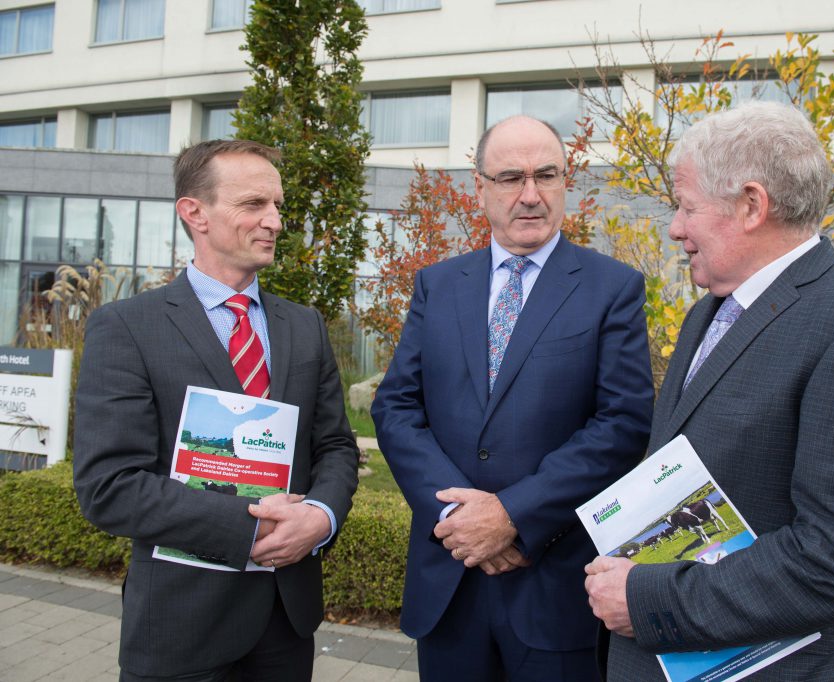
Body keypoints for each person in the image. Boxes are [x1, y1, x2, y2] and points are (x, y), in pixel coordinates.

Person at [585, 102, 834, 680]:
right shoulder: (712, 312)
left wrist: (653, 599)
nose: (675, 227)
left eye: (687, 206)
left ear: (752, 205)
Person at [371, 115, 654, 681]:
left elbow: (621, 423)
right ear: (480, 188)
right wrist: (459, 519)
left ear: (565, 180)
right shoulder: (438, 284)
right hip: (450, 579)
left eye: (545, 175)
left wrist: (512, 516)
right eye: (509, 178)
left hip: (553, 584)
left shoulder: (612, 289)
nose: (530, 195)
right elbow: (397, 408)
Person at [73, 139, 360, 681]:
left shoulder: (304, 327)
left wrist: (318, 518)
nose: (274, 220)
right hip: (180, 624)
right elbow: (109, 485)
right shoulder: (128, 327)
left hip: (285, 620)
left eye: (277, 205)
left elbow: (336, 447)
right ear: (194, 212)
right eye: (254, 204)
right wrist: (252, 528)